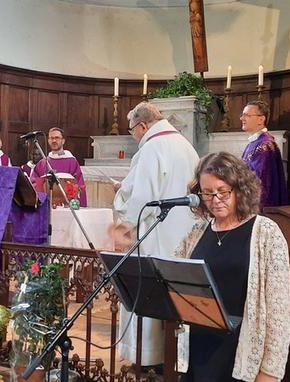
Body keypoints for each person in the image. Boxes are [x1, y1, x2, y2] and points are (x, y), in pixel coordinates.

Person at [174, 151, 290, 382]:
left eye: (223, 191)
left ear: (240, 189)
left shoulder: (266, 233)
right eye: (207, 193)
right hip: (198, 348)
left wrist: (270, 371)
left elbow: (279, 310)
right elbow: (171, 273)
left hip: (241, 350)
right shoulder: (197, 233)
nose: (215, 200)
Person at [109, 101, 200, 367]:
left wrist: (124, 221)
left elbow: (144, 200)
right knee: (175, 297)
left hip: (155, 234)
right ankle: (175, 358)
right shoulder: (186, 146)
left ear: (143, 125)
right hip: (184, 234)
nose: (133, 136)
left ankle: (147, 357)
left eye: (132, 130)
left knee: (148, 291)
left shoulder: (152, 148)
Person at [240, 100, 287, 209]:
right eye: (242, 115)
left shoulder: (264, 145)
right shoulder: (255, 143)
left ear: (261, 119)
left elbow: (261, 182)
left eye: (246, 115)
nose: (242, 118)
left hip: (259, 207)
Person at [30, 127, 87, 206]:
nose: (54, 141)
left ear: (63, 141)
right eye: (51, 138)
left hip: (67, 206)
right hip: (47, 206)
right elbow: (34, 183)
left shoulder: (71, 162)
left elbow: (80, 185)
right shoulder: (43, 163)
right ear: (48, 140)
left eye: (57, 138)